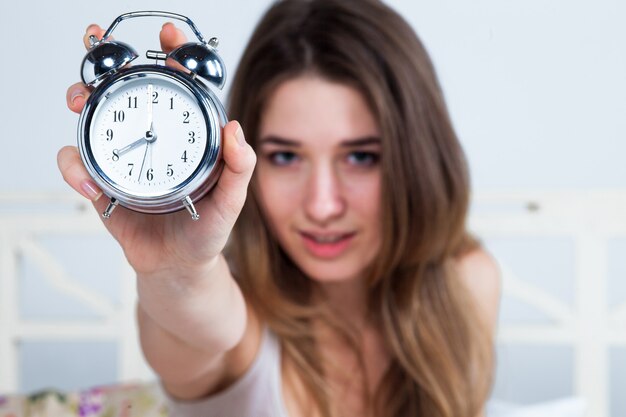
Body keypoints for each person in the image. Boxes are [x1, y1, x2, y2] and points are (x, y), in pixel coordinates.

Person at [58, 0, 501, 416]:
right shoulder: (235, 318)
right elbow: (192, 323)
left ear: (418, 156)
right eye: (286, 157)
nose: (323, 205)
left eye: (361, 156)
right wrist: (176, 267)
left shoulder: (467, 283)